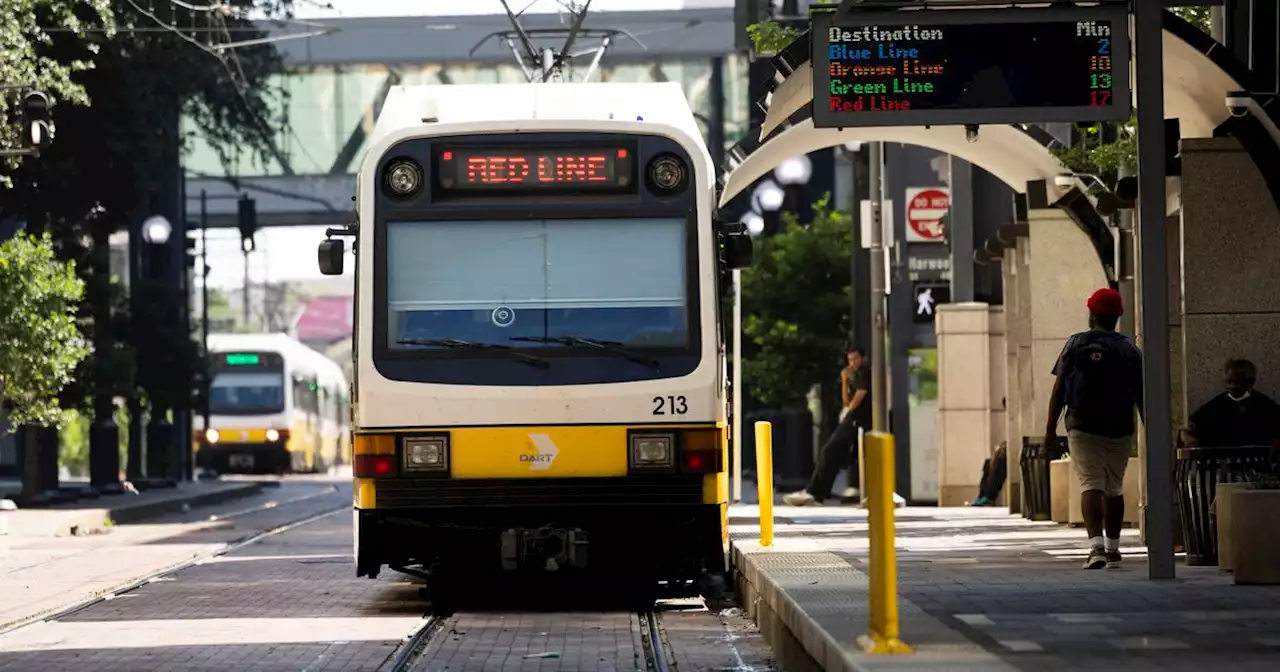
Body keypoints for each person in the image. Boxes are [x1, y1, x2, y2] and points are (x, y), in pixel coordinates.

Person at [1044, 288, 1144, 570]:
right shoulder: (1128, 347)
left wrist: (1050, 429)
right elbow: (1141, 392)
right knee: (1113, 486)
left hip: (1081, 423)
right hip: (1119, 425)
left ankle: (1095, 548)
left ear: (1092, 314)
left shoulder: (1075, 343)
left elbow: (1059, 388)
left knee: (1090, 484)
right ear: (1117, 318)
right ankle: (1113, 549)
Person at [783, 347, 870, 507]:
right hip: (852, 418)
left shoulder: (865, 372)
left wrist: (848, 410)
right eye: (850, 360)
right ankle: (816, 492)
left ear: (863, 358)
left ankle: (815, 493)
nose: (853, 363)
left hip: (856, 420)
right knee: (836, 454)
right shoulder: (855, 375)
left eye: (856, 359)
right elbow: (846, 401)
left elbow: (861, 394)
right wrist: (844, 380)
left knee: (830, 451)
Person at [1180, 359, 1280, 450]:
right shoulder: (1215, 405)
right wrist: (1187, 437)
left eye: (1236, 382)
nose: (1231, 386)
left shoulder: (1265, 405)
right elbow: (1188, 429)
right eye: (1229, 381)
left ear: (1250, 382)